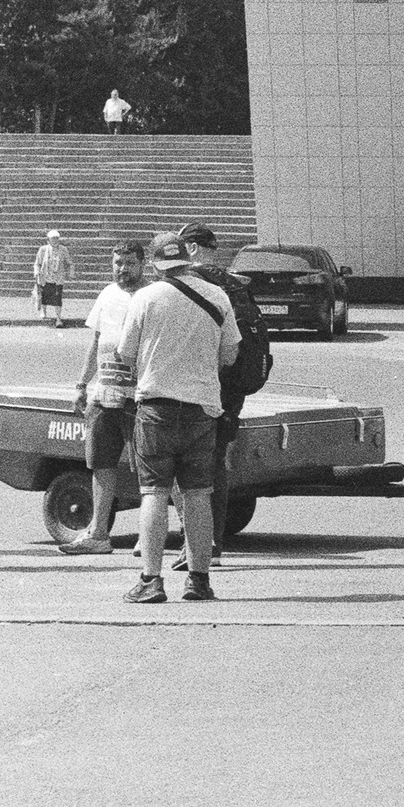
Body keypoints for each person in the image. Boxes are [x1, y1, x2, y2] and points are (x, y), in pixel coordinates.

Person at [114, 233, 238, 604]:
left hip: (156, 408)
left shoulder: (146, 297)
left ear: (154, 264)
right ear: (188, 258)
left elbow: (125, 352)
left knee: (153, 493)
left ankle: (151, 581)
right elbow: (230, 355)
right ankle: (199, 581)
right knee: (198, 494)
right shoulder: (218, 296)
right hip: (202, 408)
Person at [176, 221, 268, 568]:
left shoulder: (198, 282)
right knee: (216, 462)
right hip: (235, 384)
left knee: (190, 466)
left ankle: (198, 544)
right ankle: (211, 543)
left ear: (193, 249)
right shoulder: (234, 282)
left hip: (206, 382)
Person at [59, 238, 148, 556]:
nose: (122, 270)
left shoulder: (150, 296)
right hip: (104, 394)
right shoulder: (107, 295)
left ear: (143, 264)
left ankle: (148, 535)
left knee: (148, 468)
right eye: (117, 263)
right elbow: (95, 342)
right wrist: (82, 386)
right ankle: (98, 534)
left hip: (138, 396)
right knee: (101, 464)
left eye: (128, 264)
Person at [32, 230, 73, 328]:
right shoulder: (43, 249)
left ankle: (58, 319)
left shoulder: (63, 249)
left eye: (56, 238)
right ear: (48, 240)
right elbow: (37, 263)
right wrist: (37, 272)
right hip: (45, 277)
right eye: (52, 238)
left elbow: (69, 262)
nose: (55, 240)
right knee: (44, 296)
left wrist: (71, 272)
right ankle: (44, 311)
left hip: (58, 278)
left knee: (57, 298)